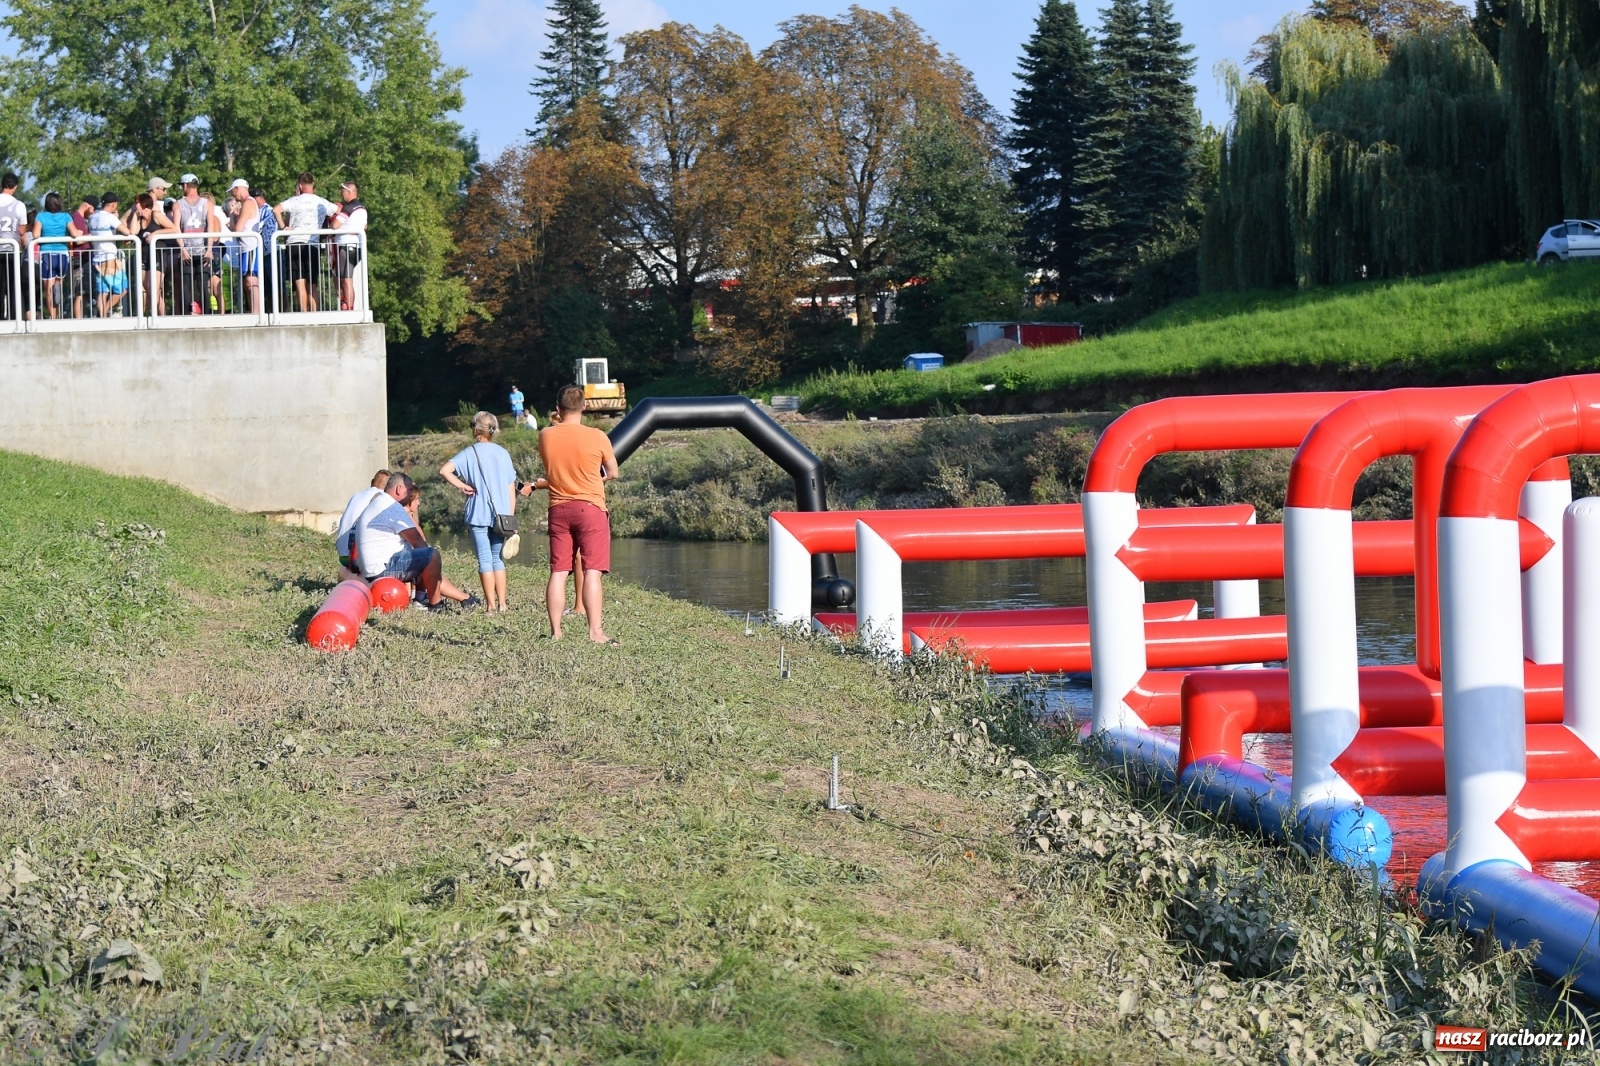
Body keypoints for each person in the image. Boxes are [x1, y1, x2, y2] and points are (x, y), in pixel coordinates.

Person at [521, 384, 619, 642]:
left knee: (558, 571)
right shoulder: (598, 436)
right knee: (592, 571)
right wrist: (597, 479)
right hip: (590, 508)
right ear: (585, 406)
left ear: (557, 409)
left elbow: (552, 470)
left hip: (558, 508)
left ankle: (556, 632)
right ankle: (595, 632)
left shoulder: (545, 435)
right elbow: (613, 472)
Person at [355, 473, 478, 611]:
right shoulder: (392, 507)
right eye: (409, 489)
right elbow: (419, 542)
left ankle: (465, 599)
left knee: (426, 558)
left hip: (374, 568)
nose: (410, 494)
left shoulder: (380, 502)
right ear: (399, 489)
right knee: (431, 556)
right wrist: (433, 567)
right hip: (383, 568)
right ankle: (435, 605)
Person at [439, 412, 519, 613]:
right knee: (497, 558)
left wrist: (462, 486)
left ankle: (490, 606)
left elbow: (444, 470)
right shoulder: (503, 453)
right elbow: (511, 487)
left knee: (484, 559)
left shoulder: (469, 453)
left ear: (475, 429)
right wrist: (511, 514)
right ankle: (503, 604)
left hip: (478, 513)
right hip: (502, 515)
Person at [274, 173, 338, 312]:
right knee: (312, 282)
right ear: (313, 185)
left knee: (299, 282)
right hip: (312, 244)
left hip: (294, 243)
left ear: (300, 186)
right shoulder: (321, 202)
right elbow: (337, 209)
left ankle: (303, 314)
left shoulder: (294, 201)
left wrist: (283, 227)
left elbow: (276, 209)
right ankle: (314, 313)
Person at [333, 469, 390, 579]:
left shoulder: (356, 496)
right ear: (388, 487)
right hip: (357, 558)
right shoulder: (382, 499)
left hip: (343, 555)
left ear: (372, 482)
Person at [173, 174, 217, 315]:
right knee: (199, 285)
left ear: (185, 185)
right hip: (199, 249)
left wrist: (183, 248)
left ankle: (195, 314)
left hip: (193, 249)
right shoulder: (207, 203)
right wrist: (209, 249)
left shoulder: (178, 204)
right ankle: (201, 314)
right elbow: (210, 227)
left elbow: (176, 228)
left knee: (192, 285)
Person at [126, 191, 175, 315]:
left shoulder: (156, 215)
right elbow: (133, 232)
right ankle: (154, 315)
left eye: (137, 202)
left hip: (157, 254)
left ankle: (161, 316)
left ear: (143, 203)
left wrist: (155, 233)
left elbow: (173, 228)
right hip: (143, 255)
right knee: (147, 289)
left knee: (154, 289)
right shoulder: (138, 218)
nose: (135, 204)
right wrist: (136, 216)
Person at [88, 192, 133, 318]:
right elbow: (127, 231)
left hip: (97, 258)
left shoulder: (93, 217)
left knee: (102, 292)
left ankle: (101, 317)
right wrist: (118, 219)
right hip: (110, 258)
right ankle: (104, 313)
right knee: (122, 290)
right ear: (113, 204)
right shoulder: (110, 217)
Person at [30, 192, 72, 319]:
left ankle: (54, 317)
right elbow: (75, 233)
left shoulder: (41, 216)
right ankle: (57, 291)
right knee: (58, 283)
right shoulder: (66, 216)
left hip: (47, 254)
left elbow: (36, 235)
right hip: (62, 254)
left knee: (48, 287)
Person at [222, 179, 261, 314]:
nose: (233, 195)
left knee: (251, 281)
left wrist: (233, 217)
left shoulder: (249, 202)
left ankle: (256, 313)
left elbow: (236, 230)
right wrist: (233, 215)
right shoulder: (247, 203)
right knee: (247, 282)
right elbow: (236, 230)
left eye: (233, 191)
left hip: (251, 247)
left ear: (238, 188)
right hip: (245, 248)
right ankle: (253, 311)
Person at [331, 180, 366, 312]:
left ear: (350, 192)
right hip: (356, 246)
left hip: (346, 245)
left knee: (346, 279)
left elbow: (335, 225)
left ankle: (349, 309)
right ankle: (347, 305)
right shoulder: (362, 208)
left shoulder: (349, 207)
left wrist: (334, 219)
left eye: (343, 191)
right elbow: (365, 226)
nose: (341, 193)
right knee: (343, 277)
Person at [0, 173, 27, 321]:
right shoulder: (18, 205)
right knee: (13, 287)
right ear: (15, 187)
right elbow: (21, 230)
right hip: (12, 251)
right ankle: (13, 317)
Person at [68, 195, 96, 318]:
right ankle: (78, 320)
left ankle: (81, 317)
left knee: (84, 292)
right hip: (79, 259)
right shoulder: (77, 218)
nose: (93, 212)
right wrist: (93, 235)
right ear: (87, 205)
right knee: (80, 292)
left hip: (85, 258)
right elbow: (78, 240)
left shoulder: (80, 218)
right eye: (93, 209)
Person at [249, 187, 278, 310]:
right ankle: (266, 312)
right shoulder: (257, 211)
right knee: (264, 286)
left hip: (270, 252)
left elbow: (267, 231)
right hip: (260, 253)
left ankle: (277, 312)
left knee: (274, 285)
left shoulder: (268, 211)